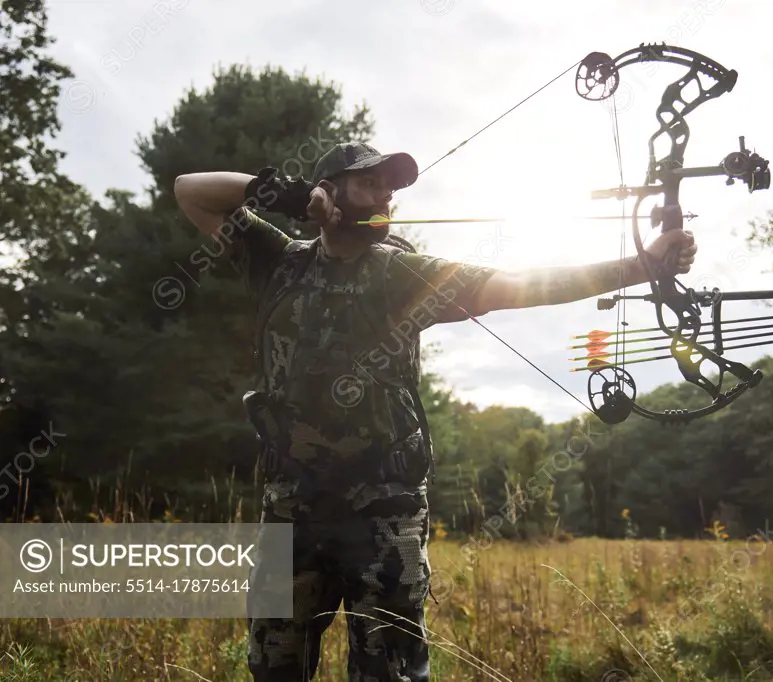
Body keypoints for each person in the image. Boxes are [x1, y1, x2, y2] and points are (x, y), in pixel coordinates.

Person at [172, 141, 698, 681]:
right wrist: (280, 193)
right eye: (369, 183)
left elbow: (517, 287)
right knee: (272, 668)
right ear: (326, 191)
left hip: (383, 510)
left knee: (391, 673)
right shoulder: (276, 261)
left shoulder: (401, 273)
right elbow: (190, 191)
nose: (385, 196)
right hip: (290, 506)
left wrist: (640, 266)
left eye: (390, 188)